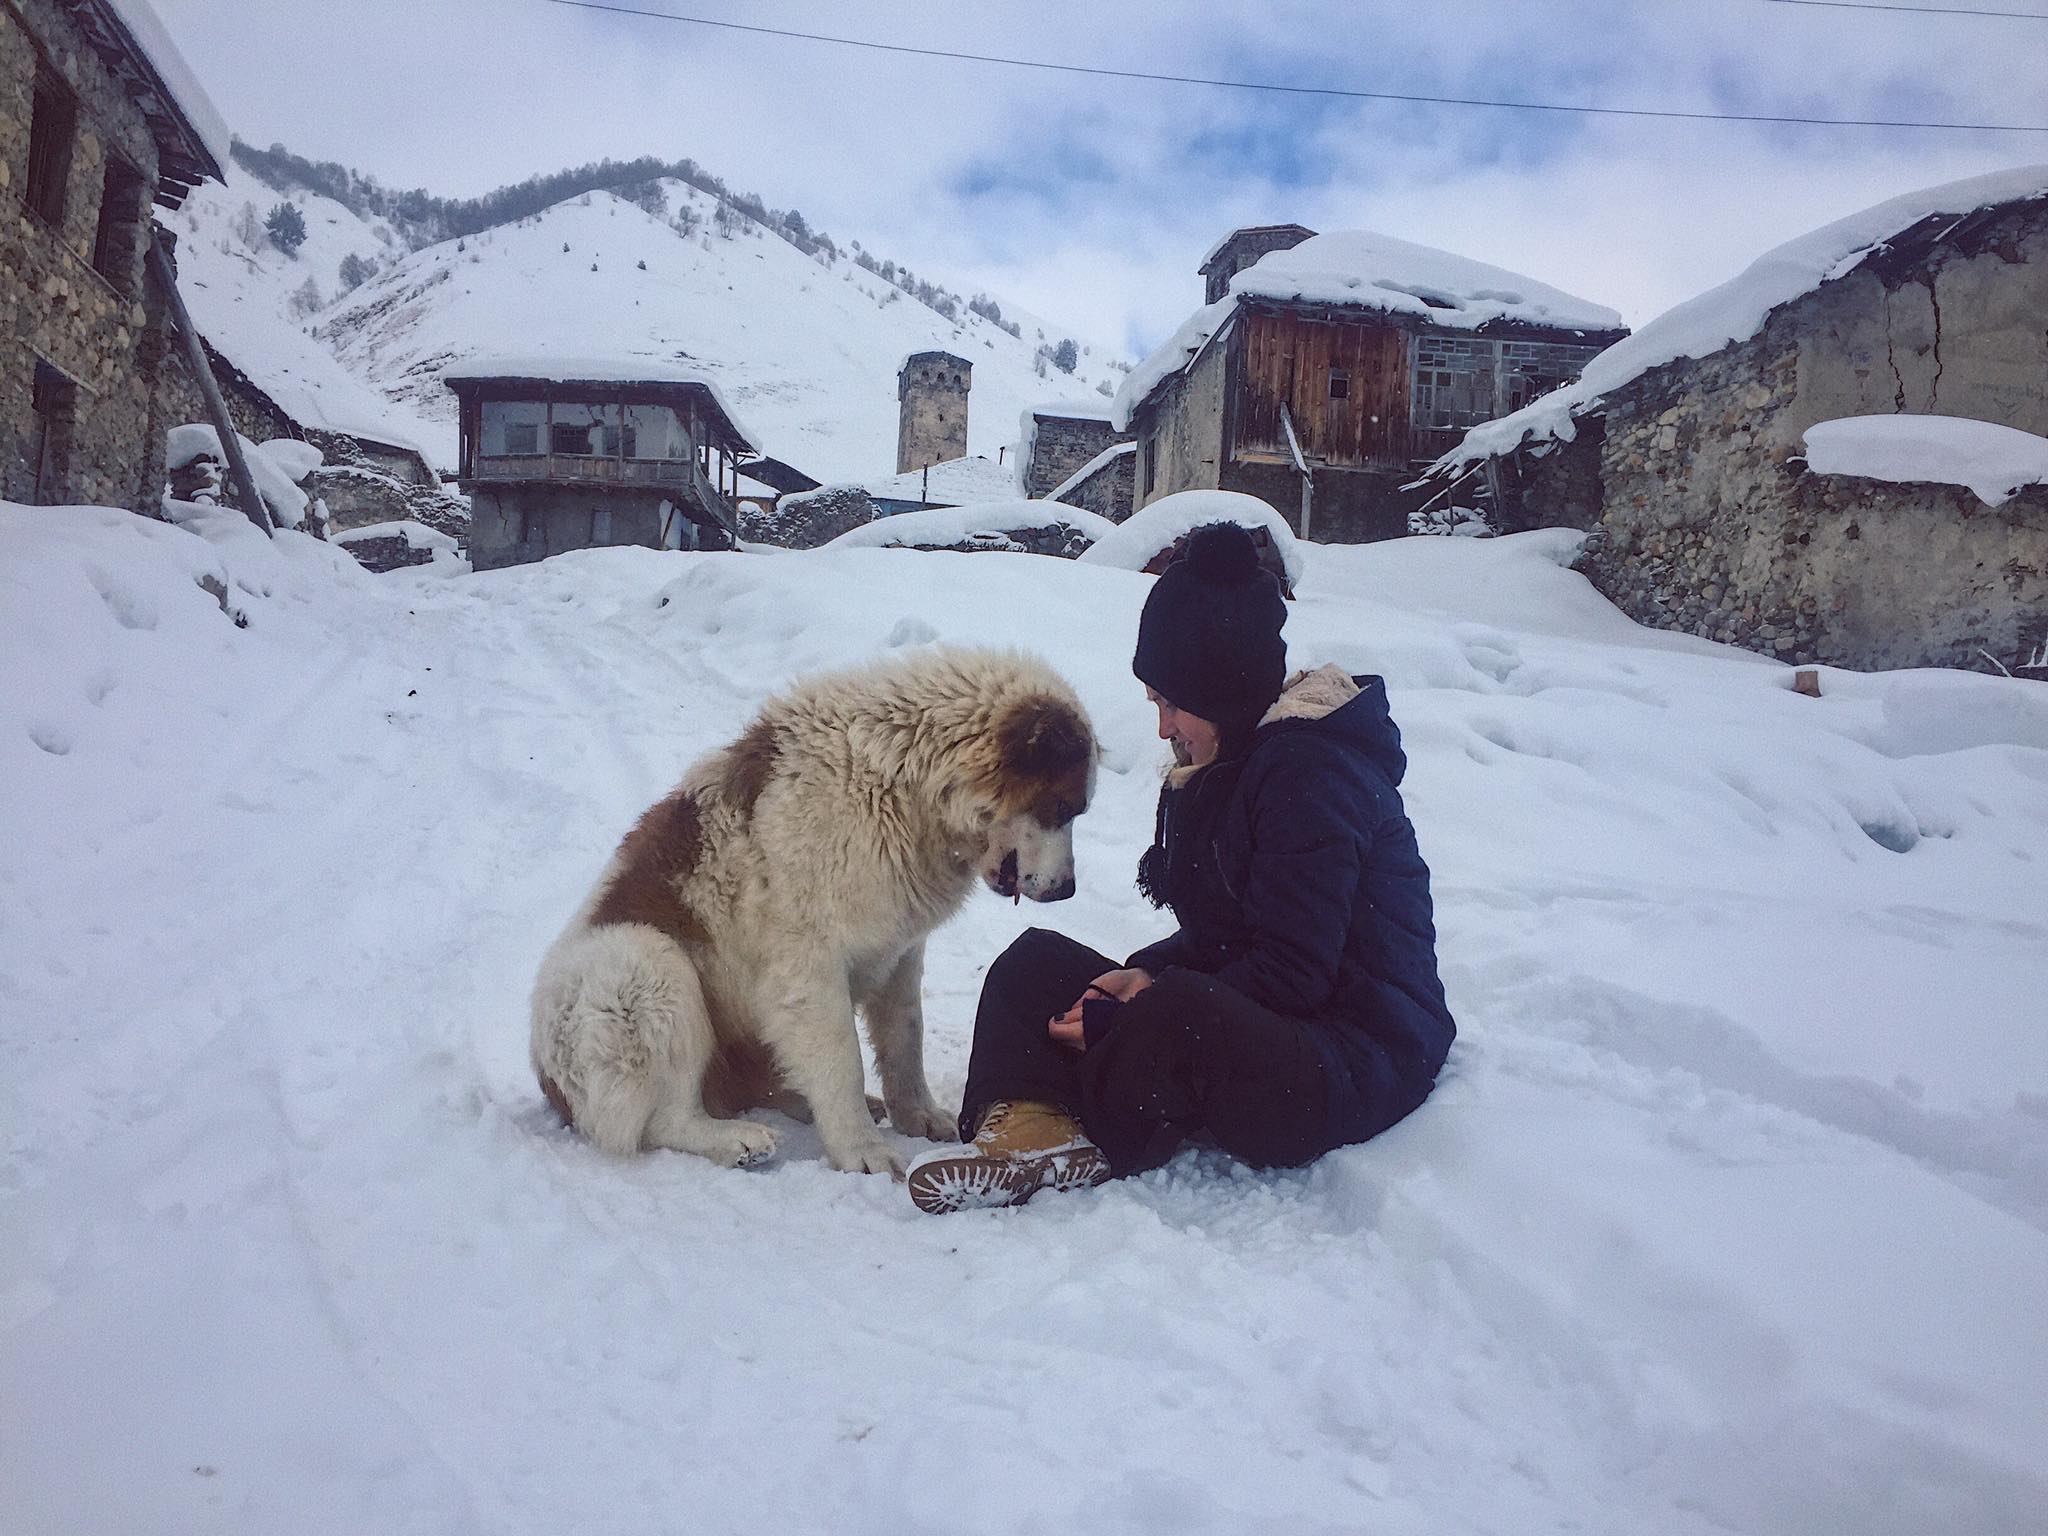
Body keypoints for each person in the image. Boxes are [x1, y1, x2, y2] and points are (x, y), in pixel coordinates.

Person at [906, 521, 1456, 1215]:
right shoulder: (1232, 765)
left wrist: (1141, 1002)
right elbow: (1227, 936)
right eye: (1156, 704)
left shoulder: (1311, 778)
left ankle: (1076, 1120)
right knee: (1032, 965)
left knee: (1176, 1014)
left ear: (1221, 693)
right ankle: (1029, 1126)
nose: (1163, 727)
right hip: (1280, 1025)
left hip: (1353, 1056)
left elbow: (1294, 973)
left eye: (1171, 704)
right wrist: (1145, 971)